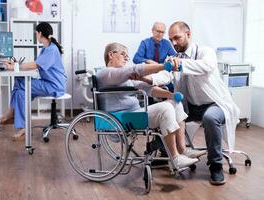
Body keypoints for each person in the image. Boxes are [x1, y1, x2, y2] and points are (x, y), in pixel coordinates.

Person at [96, 42, 206, 169]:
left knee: (174, 103)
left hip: (134, 114)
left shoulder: (121, 76)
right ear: (111, 55)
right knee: (165, 108)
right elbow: (135, 69)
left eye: (127, 55)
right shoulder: (107, 74)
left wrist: (171, 95)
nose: (126, 58)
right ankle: (175, 158)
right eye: (123, 54)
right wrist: (164, 66)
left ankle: (182, 150)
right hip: (120, 119)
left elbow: (147, 88)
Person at [162, 21, 239, 185]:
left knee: (210, 118)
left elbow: (206, 66)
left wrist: (179, 65)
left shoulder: (205, 51)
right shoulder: (175, 58)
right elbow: (165, 76)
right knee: (166, 109)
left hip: (215, 104)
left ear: (188, 34)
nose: (174, 43)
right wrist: (146, 76)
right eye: (171, 40)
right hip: (192, 107)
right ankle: (172, 153)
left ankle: (216, 166)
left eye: (177, 38)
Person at [0, 22, 67, 139]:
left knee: (19, 81)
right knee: (20, 92)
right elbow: (35, 64)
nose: (36, 36)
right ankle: (22, 125)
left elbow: (35, 65)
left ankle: (11, 114)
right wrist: (15, 64)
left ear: (40, 33)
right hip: (48, 83)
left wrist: (15, 66)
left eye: (36, 33)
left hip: (54, 86)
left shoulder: (51, 49)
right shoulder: (45, 49)